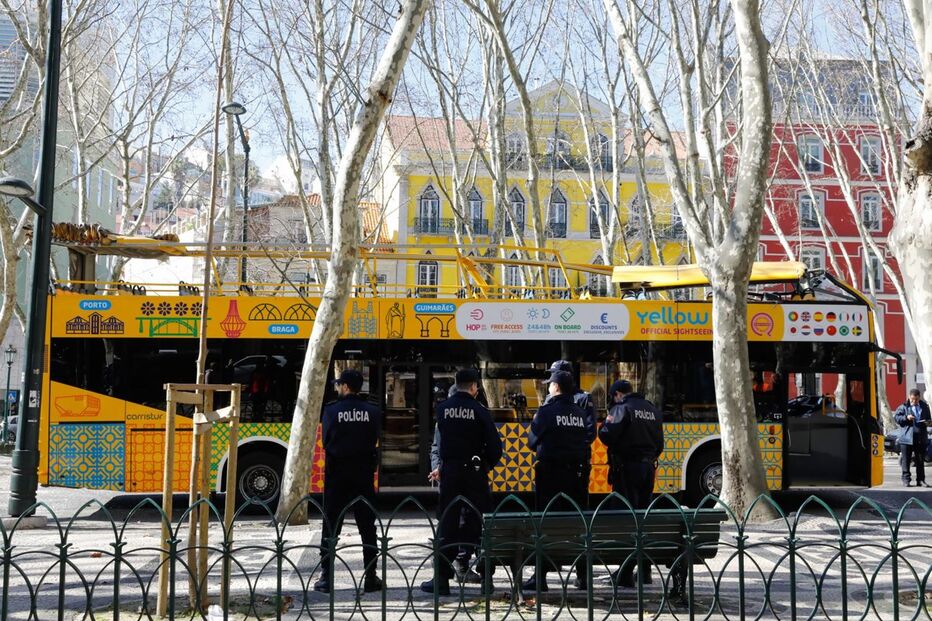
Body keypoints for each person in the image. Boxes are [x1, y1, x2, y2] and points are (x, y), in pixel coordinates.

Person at [421, 368, 503, 596]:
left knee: (447, 523)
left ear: (456, 385)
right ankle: (486, 580)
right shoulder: (480, 411)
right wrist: (484, 465)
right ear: (475, 387)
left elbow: (440, 442)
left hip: (450, 474)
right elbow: (496, 448)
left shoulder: (443, 410)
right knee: (479, 523)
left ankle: (442, 580)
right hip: (474, 474)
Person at [522, 369, 593, 592]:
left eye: (550, 384)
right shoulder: (580, 414)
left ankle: (540, 576)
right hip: (576, 477)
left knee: (546, 524)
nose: (548, 387)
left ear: (556, 387)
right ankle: (583, 575)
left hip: (550, 476)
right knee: (577, 524)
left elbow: (532, 443)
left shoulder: (546, 412)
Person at [313, 369, 383, 594]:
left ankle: (326, 578)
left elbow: (325, 441)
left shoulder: (332, 410)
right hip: (363, 474)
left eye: (339, 384)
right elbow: (374, 439)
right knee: (367, 527)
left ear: (345, 387)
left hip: (337, 475)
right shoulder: (373, 411)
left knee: (331, 525)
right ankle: (370, 576)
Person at [598, 379, 664, 587]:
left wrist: (603, 426)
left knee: (628, 520)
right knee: (642, 517)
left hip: (626, 469)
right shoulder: (651, 410)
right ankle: (645, 571)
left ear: (617, 394)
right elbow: (659, 444)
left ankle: (625, 572)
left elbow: (606, 435)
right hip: (647, 469)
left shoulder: (622, 408)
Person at [894, 388, 931, 487]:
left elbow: (928, 418)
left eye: (916, 399)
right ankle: (906, 480)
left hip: (920, 437)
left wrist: (927, 422)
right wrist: (906, 418)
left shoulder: (924, 406)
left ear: (919, 398)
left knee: (920, 460)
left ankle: (921, 480)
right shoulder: (903, 406)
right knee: (906, 460)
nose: (914, 402)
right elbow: (897, 418)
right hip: (906, 438)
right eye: (912, 399)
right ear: (909, 397)